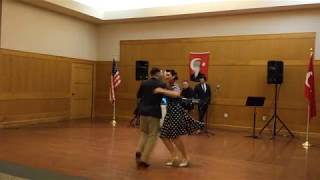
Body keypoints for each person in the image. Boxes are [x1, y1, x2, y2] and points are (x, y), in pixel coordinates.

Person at [135, 68, 180, 169]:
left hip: (143, 113)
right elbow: (175, 94)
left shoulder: (144, 83)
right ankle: (144, 159)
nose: (162, 74)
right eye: (161, 72)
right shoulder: (162, 84)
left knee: (143, 134)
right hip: (153, 113)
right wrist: (162, 89)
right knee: (152, 136)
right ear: (157, 73)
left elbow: (138, 96)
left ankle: (139, 150)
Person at [160, 70, 203, 167]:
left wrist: (161, 91)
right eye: (165, 75)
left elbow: (176, 94)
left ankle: (186, 157)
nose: (166, 76)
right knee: (163, 135)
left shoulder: (176, 86)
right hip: (170, 113)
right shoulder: (167, 85)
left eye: (168, 75)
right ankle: (174, 156)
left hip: (176, 112)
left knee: (175, 137)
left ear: (174, 76)